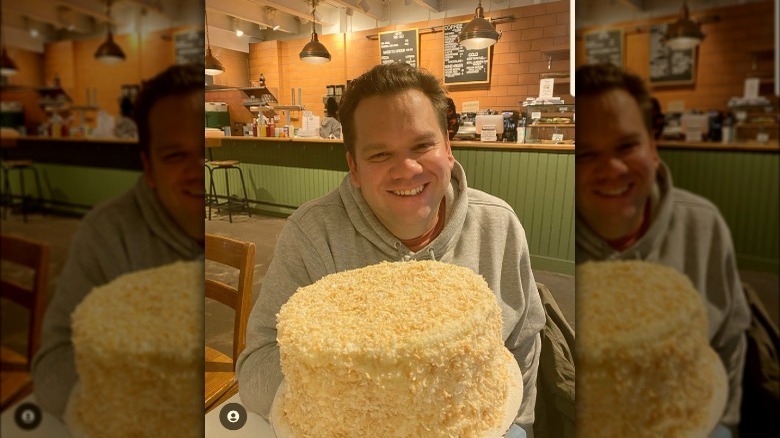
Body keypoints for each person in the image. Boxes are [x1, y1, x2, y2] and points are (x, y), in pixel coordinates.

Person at [236, 62, 545, 436]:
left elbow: (524, 344)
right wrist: (372, 400)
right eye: (380, 155)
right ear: (354, 167)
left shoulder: (498, 226)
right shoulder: (313, 234)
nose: (407, 169)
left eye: (422, 144)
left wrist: (519, 426)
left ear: (448, 148)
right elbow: (256, 368)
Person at [574, 63, 750, 436]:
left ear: (653, 148)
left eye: (627, 145)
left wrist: (725, 425)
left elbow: (730, 343)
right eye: (585, 154)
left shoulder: (703, 226)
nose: (612, 168)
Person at [31, 64, 205, 418]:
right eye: (175, 155)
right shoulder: (108, 234)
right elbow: (52, 364)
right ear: (149, 168)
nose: (198, 168)